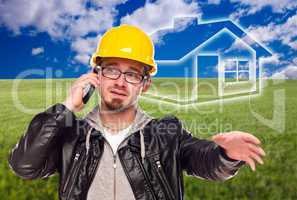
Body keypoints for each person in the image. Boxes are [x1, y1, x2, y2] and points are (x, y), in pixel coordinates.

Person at [8, 24, 265, 200]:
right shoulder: (71, 137)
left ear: (145, 84)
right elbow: (24, 165)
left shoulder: (166, 133)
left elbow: (204, 160)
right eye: (111, 69)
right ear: (96, 75)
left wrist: (226, 155)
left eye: (132, 74)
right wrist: (66, 108)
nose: (120, 81)